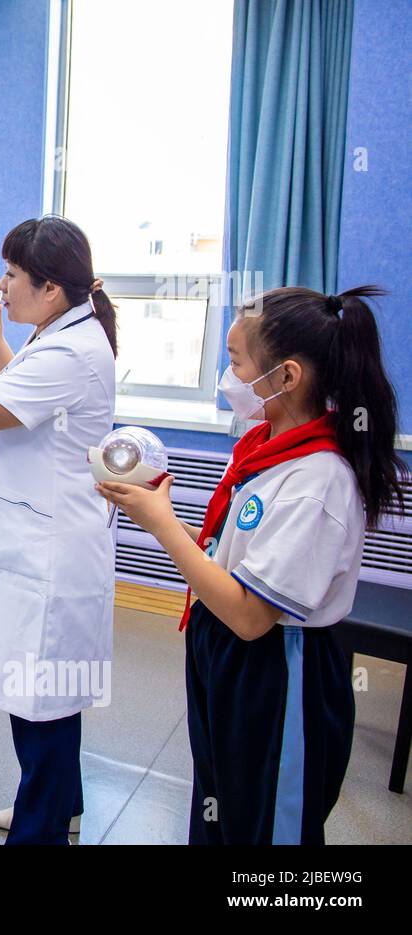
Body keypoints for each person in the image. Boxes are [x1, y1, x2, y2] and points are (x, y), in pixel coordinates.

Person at [97, 285, 403, 845]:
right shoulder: (267, 448)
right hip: (227, 657)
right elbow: (230, 559)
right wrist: (158, 518)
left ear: (287, 376)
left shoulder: (316, 483)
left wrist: (165, 526)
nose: (227, 375)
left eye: (236, 361)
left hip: (276, 671)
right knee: (223, 808)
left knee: (265, 832)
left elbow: (250, 615)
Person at [0, 216, 118, 844]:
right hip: (46, 545)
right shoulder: (66, 335)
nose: (5, 286)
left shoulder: (71, 350)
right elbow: (20, 385)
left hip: (49, 557)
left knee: (41, 702)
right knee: (49, 694)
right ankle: (57, 805)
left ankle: (41, 829)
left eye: (14, 276)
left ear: (50, 288)